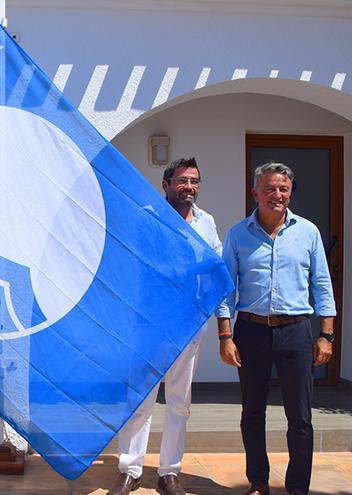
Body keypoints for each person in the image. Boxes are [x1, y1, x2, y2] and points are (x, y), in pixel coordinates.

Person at [216, 162, 336, 495]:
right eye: (269, 188)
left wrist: (326, 334)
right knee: (252, 411)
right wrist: (225, 336)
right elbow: (226, 288)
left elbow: (322, 284)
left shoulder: (307, 232)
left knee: (300, 416)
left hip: (296, 332)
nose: (277, 195)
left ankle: (297, 487)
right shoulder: (238, 233)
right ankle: (258, 481)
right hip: (251, 332)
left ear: (289, 192)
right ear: (255, 192)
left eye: (283, 188)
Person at [108, 158, 223, 495]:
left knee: (179, 402)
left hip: (188, 324)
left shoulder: (207, 221)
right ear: (166, 184)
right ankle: (129, 470)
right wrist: (194, 266)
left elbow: (216, 263)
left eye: (195, 181)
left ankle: (169, 473)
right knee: (140, 400)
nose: (190, 187)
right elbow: (153, 266)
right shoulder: (149, 218)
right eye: (183, 180)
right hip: (149, 324)